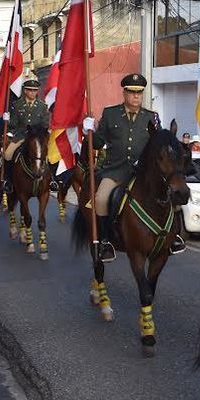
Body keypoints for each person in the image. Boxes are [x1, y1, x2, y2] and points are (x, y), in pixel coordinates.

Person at [83, 73, 157, 261]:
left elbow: (157, 144)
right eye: (132, 93)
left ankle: (171, 237)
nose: (136, 97)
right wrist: (89, 130)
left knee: (170, 194)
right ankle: (104, 241)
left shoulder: (152, 117)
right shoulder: (111, 113)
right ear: (124, 93)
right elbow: (98, 143)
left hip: (142, 174)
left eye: (139, 93)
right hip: (115, 171)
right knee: (100, 199)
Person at [3, 75, 50, 189]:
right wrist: (7, 120)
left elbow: (45, 123)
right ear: (25, 90)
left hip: (37, 138)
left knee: (50, 156)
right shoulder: (17, 105)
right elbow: (13, 124)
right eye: (30, 90)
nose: (33, 92)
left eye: (35, 90)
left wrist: (40, 133)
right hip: (21, 136)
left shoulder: (42, 106)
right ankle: (8, 180)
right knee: (7, 155)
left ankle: (52, 180)